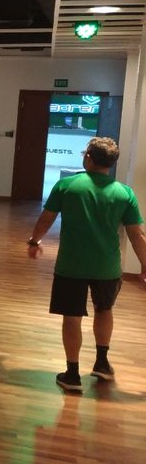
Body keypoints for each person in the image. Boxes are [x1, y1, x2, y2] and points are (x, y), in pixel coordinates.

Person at [26, 137, 146, 392]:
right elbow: (137, 235)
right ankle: (102, 363)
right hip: (107, 268)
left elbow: (45, 220)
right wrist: (145, 265)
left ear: (88, 158)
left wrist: (34, 241)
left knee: (72, 317)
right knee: (104, 310)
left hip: (71, 266)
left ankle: (72, 374)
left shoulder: (67, 185)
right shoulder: (124, 193)